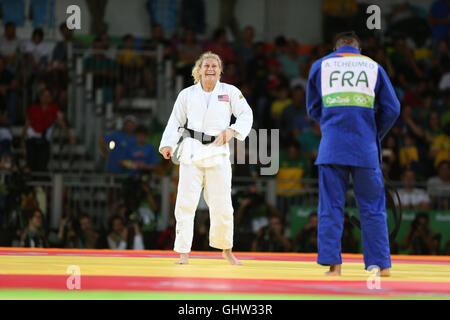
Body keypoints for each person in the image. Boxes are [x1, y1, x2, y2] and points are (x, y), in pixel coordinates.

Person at [306, 31, 400, 276]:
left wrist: (330, 123)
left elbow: (312, 108)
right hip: (365, 149)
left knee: (331, 207)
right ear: (357, 48)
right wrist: (372, 132)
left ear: (337, 48)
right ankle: (381, 266)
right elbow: (392, 109)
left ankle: (334, 266)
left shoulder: (320, 65)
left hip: (332, 148)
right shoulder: (373, 66)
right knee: (372, 207)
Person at [159, 51, 253, 265]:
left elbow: (246, 114)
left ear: (220, 71)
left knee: (222, 204)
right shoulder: (187, 94)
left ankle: (226, 249)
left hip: (218, 151)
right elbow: (176, 121)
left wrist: (232, 131)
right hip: (191, 149)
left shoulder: (230, 92)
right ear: (199, 70)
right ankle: (183, 252)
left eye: (214, 65)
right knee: (185, 202)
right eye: (206, 65)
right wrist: (168, 144)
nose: (210, 68)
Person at [22, 88, 76, 172]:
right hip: (31, 139)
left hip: (45, 139)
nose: (46, 98)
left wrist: (70, 136)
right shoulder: (33, 108)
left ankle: (40, 183)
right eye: (44, 96)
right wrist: (22, 139)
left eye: (48, 96)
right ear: (40, 97)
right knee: (30, 163)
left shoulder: (54, 108)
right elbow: (27, 124)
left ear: (51, 97)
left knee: (42, 164)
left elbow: (62, 123)